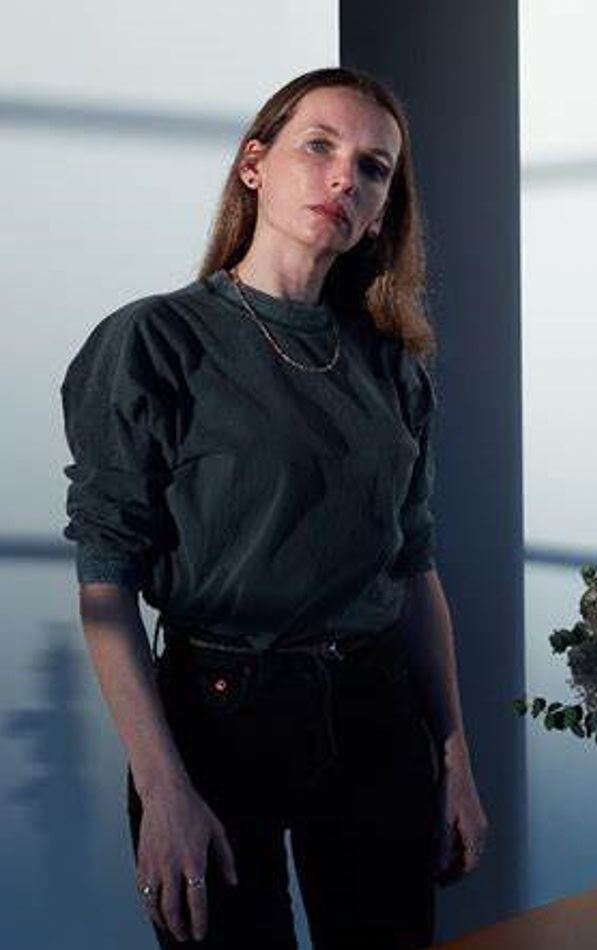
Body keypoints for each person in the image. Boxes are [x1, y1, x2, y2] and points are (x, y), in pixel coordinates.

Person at [60, 66, 488, 949]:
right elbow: (106, 586)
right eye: (318, 147)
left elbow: (413, 566)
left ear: (382, 213)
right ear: (253, 164)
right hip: (219, 720)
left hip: (377, 712)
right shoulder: (155, 342)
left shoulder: (392, 365)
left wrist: (454, 756)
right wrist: (164, 790)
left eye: (372, 168)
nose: (344, 178)